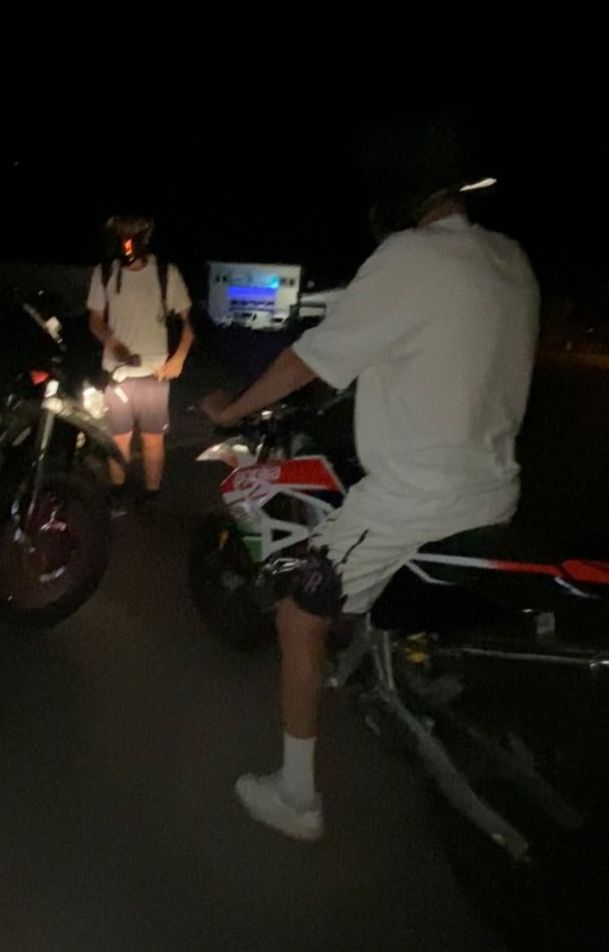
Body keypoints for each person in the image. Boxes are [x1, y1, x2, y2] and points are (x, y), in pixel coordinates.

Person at [201, 165, 541, 842]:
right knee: (362, 568)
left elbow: (306, 360)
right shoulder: (510, 258)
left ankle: (297, 798)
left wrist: (229, 410)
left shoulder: (407, 257)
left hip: (415, 500)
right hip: (494, 492)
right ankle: (388, 654)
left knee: (300, 615)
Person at [86, 214, 194, 514]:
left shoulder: (165, 273)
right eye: (121, 233)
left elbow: (187, 322)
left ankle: (151, 494)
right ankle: (118, 491)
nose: (126, 239)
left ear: (145, 235)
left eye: (132, 232)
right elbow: (95, 320)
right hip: (117, 374)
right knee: (117, 438)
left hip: (155, 374)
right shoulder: (105, 272)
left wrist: (180, 358)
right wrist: (112, 342)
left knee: (152, 441)